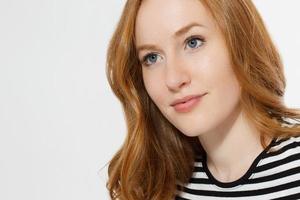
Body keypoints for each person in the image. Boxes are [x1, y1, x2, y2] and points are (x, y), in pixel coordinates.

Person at [105, 0, 300, 199]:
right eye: (152, 57)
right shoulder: (159, 187)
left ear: (240, 40)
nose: (173, 79)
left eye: (193, 42)